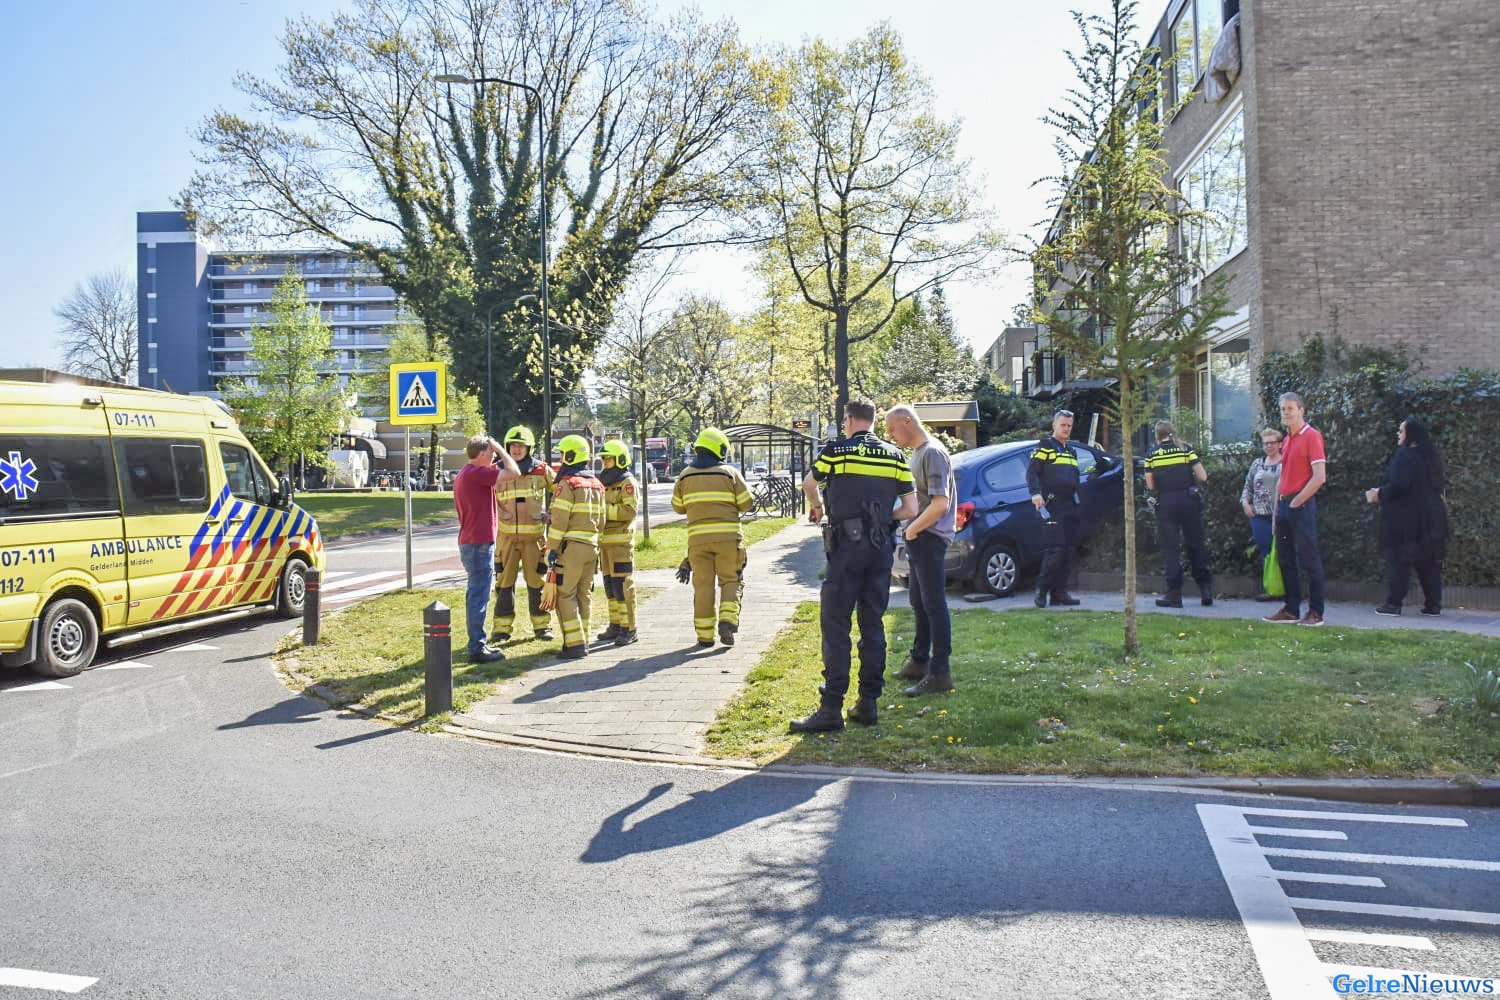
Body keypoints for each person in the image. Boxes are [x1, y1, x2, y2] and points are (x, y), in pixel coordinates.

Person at [790, 398, 919, 733]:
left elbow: (809, 483)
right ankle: (868, 704)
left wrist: (817, 507)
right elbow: (910, 508)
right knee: (873, 626)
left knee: (836, 626)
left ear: (848, 420)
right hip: (880, 551)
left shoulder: (838, 451)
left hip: (846, 549)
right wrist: (880, 520)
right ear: (874, 421)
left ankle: (831, 708)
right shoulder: (895, 456)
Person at [885, 404, 956, 696]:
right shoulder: (918, 454)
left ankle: (940, 673)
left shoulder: (932, 453)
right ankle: (919, 660)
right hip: (918, 538)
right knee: (919, 602)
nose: (890, 436)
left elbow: (941, 502)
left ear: (906, 422)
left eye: (891, 429)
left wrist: (913, 529)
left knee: (934, 605)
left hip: (930, 537)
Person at [671, 428, 754, 647]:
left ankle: (704, 636)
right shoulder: (729, 473)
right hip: (728, 539)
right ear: (720, 449)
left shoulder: (685, 475)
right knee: (730, 580)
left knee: (703, 587)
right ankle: (727, 621)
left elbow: (678, 507)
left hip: (697, 542)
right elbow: (747, 503)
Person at [1366, 417, 1448, 616]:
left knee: (1399, 560)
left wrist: (1378, 494)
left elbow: (1399, 485)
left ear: (1410, 435)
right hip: (1431, 518)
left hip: (1406, 520)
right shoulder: (1430, 457)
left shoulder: (1405, 456)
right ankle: (1433, 605)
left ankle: (1393, 604)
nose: (1398, 434)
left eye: (1401, 431)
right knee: (1428, 562)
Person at [452, 435, 521, 662]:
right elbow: (514, 472)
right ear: (482, 454)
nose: (493, 457)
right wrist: (501, 448)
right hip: (479, 543)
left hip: (471, 541)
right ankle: (477, 648)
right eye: (490, 453)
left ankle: (477, 643)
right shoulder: (478, 474)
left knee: (475, 594)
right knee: (479, 596)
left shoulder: (467, 472)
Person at [1263, 392, 1327, 626]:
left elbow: (1319, 477)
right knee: (1286, 559)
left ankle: (1316, 612)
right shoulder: (1288, 439)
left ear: (1301, 410)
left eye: (1290, 408)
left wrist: (1297, 501)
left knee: (1310, 559)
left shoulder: (1312, 436)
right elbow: (1284, 475)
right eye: (1282, 409)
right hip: (1284, 507)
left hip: (1301, 505)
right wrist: (1278, 509)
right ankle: (1291, 609)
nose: (1286, 413)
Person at [492, 425, 555, 644]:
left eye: (521, 445)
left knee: (537, 583)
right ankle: (501, 630)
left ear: (529, 448)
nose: (516, 449)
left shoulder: (541, 470)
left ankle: (542, 627)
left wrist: (552, 513)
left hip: (534, 540)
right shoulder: (496, 469)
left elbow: (562, 490)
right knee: (503, 584)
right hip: (505, 539)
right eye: (512, 445)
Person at [546, 435, 606, 659]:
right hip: (592, 548)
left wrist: (551, 548)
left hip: (570, 549)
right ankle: (585, 640)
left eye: (562, 455)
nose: (561, 459)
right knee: (584, 595)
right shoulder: (597, 484)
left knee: (565, 594)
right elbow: (602, 521)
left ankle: (574, 645)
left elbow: (559, 520)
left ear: (570, 456)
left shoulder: (567, 484)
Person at [1144, 421, 1213, 608]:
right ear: (1172, 432)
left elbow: (1150, 486)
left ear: (1157, 435)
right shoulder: (1186, 449)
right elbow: (1203, 476)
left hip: (1166, 503)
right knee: (1196, 545)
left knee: (1171, 549)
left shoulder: (1152, 454)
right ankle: (1205, 590)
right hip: (1189, 501)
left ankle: (1174, 595)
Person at [1027, 410, 1084, 608]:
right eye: (1063, 425)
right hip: (1052, 506)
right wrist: (1035, 493)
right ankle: (1041, 591)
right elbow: (1032, 472)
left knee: (1068, 551)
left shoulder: (1071, 451)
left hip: (1070, 505)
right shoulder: (1045, 446)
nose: (1066, 429)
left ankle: (1060, 593)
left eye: (1069, 425)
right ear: (1054, 426)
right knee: (1055, 550)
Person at [597, 439, 641, 646]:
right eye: (604, 460)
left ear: (621, 460)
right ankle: (615, 625)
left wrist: (602, 512)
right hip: (605, 544)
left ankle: (629, 628)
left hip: (621, 543)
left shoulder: (627, 483)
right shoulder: (604, 482)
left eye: (609, 460)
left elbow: (629, 511)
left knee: (622, 586)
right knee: (609, 586)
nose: (605, 463)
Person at [1240, 428, 1283, 601]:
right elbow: (1247, 486)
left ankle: (1287, 588)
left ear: (1280, 444)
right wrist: (1245, 503)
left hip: (1280, 514)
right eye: (1266, 443)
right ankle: (1270, 588)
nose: (1269, 446)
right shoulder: (1257, 463)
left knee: (1283, 551)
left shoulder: (1285, 463)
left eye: (1272, 442)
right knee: (1266, 552)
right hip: (1259, 515)